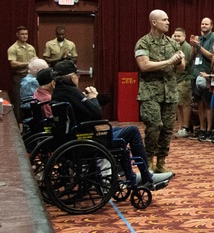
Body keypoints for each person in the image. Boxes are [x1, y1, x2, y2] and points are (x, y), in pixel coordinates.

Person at [50, 60, 171, 189]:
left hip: (74, 137)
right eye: (77, 75)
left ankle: (134, 175)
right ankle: (146, 176)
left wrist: (92, 99)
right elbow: (97, 113)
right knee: (133, 131)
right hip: (85, 139)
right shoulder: (71, 91)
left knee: (118, 130)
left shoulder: (58, 92)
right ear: (72, 77)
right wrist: (93, 98)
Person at [134, 10, 185, 174]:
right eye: (164, 20)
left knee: (167, 129)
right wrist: (169, 61)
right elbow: (144, 66)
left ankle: (161, 162)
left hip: (169, 93)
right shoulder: (143, 43)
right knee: (154, 126)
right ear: (154, 22)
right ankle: (148, 160)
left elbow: (181, 66)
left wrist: (178, 62)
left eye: (168, 19)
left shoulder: (172, 43)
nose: (168, 22)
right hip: (150, 93)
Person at [8, 25, 36, 122]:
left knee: (31, 100)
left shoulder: (31, 48)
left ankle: (28, 123)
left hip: (30, 77)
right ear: (17, 35)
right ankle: (17, 125)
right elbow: (13, 63)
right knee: (18, 101)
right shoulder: (13, 48)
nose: (25, 36)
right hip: (19, 77)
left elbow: (35, 60)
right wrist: (28, 63)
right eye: (22, 34)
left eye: (26, 34)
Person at [171, 27, 194, 138]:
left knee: (185, 105)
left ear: (184, 37)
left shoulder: (186, 47)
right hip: (175, 80)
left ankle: (186, 127)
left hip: (184, 80)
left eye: (179, 36)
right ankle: (180, 126)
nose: (176, 38)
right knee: (178, 105)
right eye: (175, 36)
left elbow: (184, 65)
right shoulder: (173, 46)